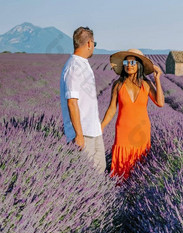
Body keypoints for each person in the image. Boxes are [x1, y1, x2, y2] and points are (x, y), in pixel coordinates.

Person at [101, 48, 164, 179]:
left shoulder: (146, 84)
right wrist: (101, 127)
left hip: (141, 131)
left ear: (139, 65)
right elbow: (112, 108)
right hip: (123, 130)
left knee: (140, 164)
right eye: (126, 63)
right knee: (122, 165)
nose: (129, 65)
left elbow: (160, 103)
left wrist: (157, 79)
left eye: (132, 63)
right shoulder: (118, 84)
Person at [60, 26, 106, 173]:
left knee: (100, 171)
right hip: (83, 132)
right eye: (94, 44)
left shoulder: (83, 64)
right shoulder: (73, 67)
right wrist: (78, 135)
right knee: (87, 174)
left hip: (93, 130)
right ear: (89, 43)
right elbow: (71, 102)